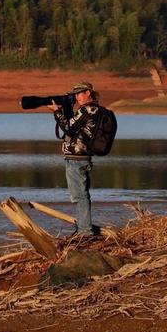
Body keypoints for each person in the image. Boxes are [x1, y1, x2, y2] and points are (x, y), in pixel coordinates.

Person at [47, 81, 99, 237]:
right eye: (75, 94)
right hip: (81, 157)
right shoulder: (94, 110)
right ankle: (84, 227)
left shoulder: (87, 110)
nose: (77, 97)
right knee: (82, 194)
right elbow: (73, 127)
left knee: (80, 196)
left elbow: (68, 127)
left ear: (88, 93)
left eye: (80, 93)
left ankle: (85, 231)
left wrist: (57, 112)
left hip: (77, 158)